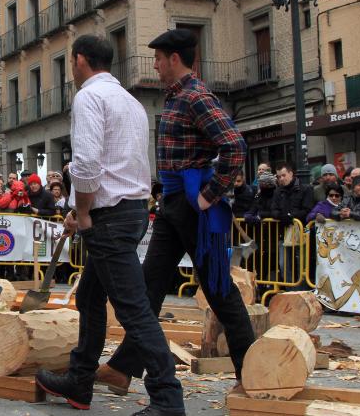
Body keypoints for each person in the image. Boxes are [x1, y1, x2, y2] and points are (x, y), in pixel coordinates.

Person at [89, 30, 255, 414]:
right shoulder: (177, 96)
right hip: (172, 203)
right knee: (149, 286)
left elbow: (234, 144)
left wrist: (210, 194)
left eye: (159, 59)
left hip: (192, 204)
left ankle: (250, 372)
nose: (156, 65)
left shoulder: (195, 96)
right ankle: (122, 368)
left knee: (218, 289)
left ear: (176, 59)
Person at [35, 34, 185, 416]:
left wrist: (83, 212)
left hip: (108, 217)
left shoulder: (89, 97)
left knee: (134, 310)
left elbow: (86, 165)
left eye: (70, 62)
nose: (71, 68)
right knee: (88, 296)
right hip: (130, 209)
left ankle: (167, 398)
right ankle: (80, 381)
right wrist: (79, 209)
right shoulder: (131, 102)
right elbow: (122, 166)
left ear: (80, 60)